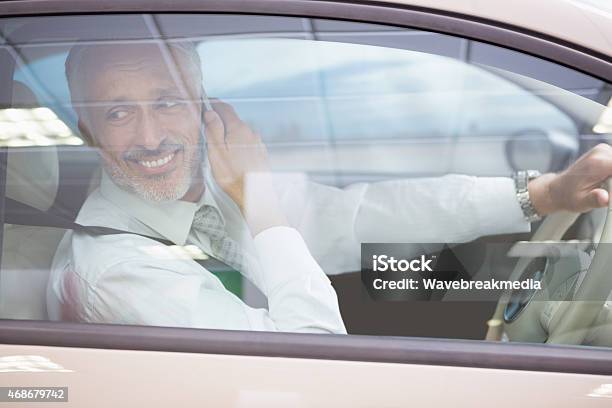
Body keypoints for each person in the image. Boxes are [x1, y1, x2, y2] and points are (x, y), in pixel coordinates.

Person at [47, 41, 612, 333]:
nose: (151, 137)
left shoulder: (210, 190)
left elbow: (363, 217)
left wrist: (542, 195)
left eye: (167, 102)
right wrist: (259, 197)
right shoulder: (113, 268)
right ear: (88, 133)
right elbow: (307, 350)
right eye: (118, 113)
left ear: (204, 111)